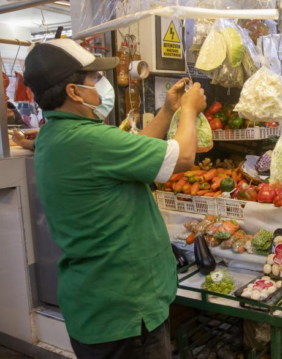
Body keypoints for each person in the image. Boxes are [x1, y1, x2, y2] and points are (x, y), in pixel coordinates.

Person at [23, 39, 207, 359]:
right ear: (73, 92)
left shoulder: (55, 135)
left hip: (93, 302)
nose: (101, 85)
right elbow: (183, 157)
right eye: (93, 79)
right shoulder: (90, 140)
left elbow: (136, 150)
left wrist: (168, 110)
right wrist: (190, 109)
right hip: (125, 313)